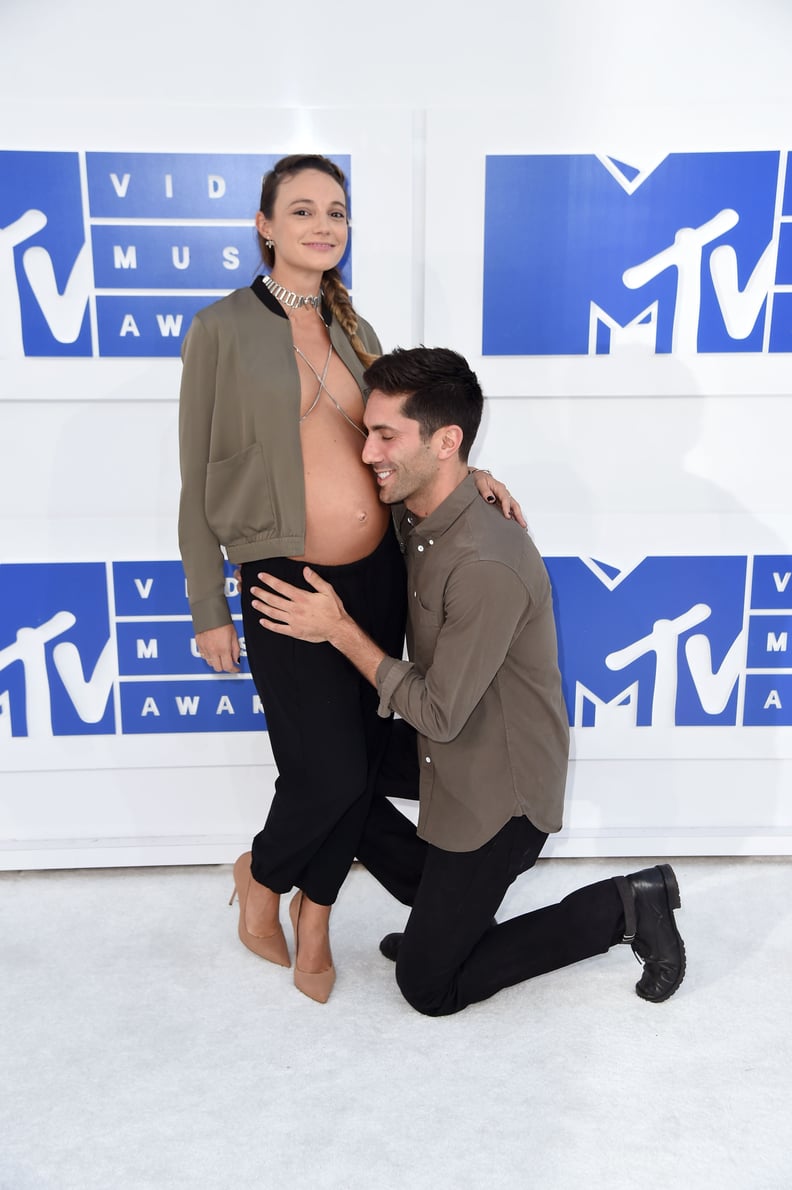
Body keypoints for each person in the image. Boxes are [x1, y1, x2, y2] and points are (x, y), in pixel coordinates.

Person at [249, 345, 687, 1017]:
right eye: (369, 432)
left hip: (498, 790)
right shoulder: (421, 510)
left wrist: (338, 629)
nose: (367, 454)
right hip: (451, 747)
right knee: (339, 771)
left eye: (385, 436)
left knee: (428, 987)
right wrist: (472, 469)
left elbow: (439, 713)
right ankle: (444, 914)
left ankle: (627, 907)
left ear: (444, 440)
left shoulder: (486, 561)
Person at [177, 156, 520, 1003]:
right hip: (284, 581)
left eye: (336, 210)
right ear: (265, 225)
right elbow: (195, 477)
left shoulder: (353, 328)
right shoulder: (221, 328)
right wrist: (207, 604)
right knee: (325, 772)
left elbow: (404, 439)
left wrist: (465, 475)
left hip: (376, 577)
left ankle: (317, 917)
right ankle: (262, 872)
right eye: (301, 210)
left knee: (360, 762)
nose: (323, 225)